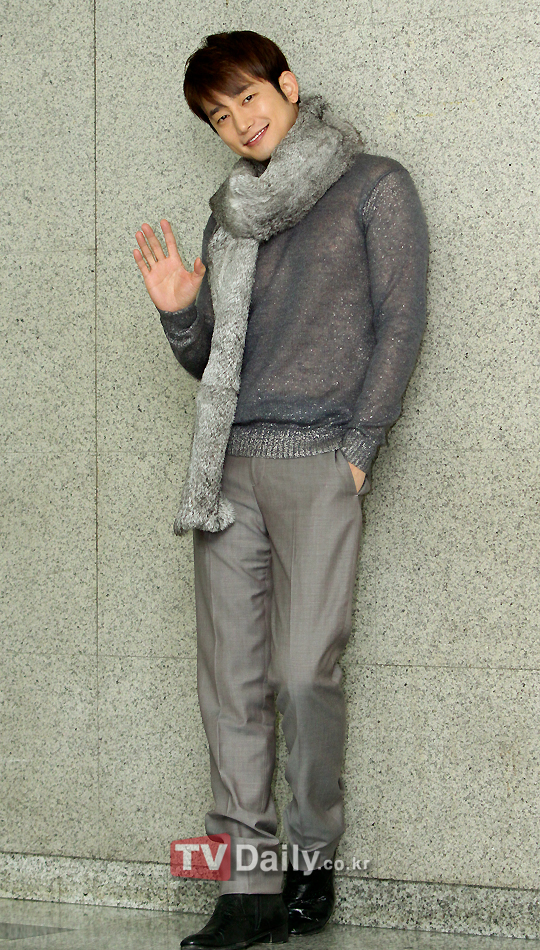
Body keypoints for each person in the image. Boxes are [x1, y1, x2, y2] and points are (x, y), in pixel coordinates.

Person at [133, 30, 429, 950]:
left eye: (248, 99)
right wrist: (181, 316)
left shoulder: (374, 186)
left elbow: (400, 323)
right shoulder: (230, 214)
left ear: (287, 86)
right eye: (220, 117)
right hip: (226, 467)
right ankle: (246, 886)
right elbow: (214, 364)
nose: (241, 123)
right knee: (231, 684)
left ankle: (311, 858)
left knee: (304, 675)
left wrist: (358, 451)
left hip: (320, 461)